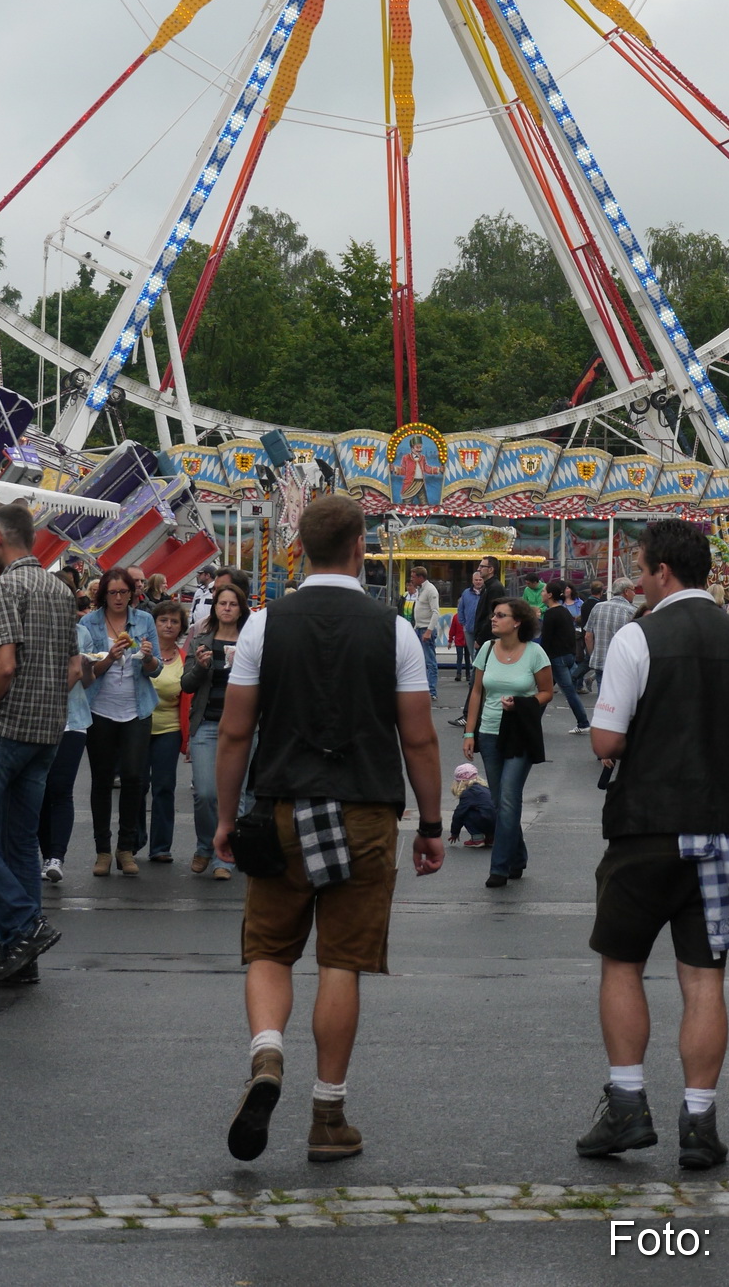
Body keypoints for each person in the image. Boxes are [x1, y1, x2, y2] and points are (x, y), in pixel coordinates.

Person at [213, 494, 442, 1164]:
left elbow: (234, 732)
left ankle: (267, 1055)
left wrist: (224, 819)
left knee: (268, 950)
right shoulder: (393, 630)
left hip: (281, 807)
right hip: (364, 809)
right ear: (359, 545)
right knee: (341, 963)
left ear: (302, 549)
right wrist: (431, 823)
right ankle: (328, 1117)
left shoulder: (262, 626)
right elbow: (419, 739)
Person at [578, 518, 729, 1169]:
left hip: (645, 827)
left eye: (641, 569)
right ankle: (699, 1121)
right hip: (723, 832)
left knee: (622, 964)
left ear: (663, 571)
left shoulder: (637, 638)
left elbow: (606, 740)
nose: (638, 581)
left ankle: (626, 1106)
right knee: (703, 980)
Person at [0, 505, 80, 983]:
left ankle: (22, 926)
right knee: (18, 841)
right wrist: (47, 703)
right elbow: (75, 667)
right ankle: (21, 958)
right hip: (47, 732)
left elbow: (5, 664)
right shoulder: (59, 589)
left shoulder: (8, 586)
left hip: (6, 728)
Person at [462, 599, 553, 888]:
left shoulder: (535, 653)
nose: (494, 618)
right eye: (494, 614)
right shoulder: (487, 650)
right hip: (489, 733)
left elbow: (547, 692)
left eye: (501, 615)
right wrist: (469, 732)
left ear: (517, 622)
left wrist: (521, 704)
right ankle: (518, 857)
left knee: (509, 798)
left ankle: (499, 868)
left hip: (519, 733)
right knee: (501, 803)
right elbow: (476, 692)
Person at [81, 567, 163, 876]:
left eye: (124, 592)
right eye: (112, 592)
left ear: (132, 594)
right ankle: (102, 850)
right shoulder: (89, 623)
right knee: (102, 780)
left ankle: (125, 849)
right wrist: (109, 658)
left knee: (134, 778)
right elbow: (86, 675)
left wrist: (149, 656)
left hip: (136, 710)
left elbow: (156, 669)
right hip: (100, 710)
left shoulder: (144, 621)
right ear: (103, 594)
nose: (118, 598)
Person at [182, 583, 250, 880]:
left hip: (242, 725)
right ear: (215, 608)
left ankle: (225, 859)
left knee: (236, 795)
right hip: (207, 723)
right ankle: (204, 846)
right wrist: (200, 666)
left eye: (232, 604)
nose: (227, 608)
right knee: (205, 793)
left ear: (241, 609)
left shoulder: (251, 642)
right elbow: (186, 684)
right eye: (222, 603)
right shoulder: (201, 640)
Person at [38, 613, 95, 885]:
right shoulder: (33, 629)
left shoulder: (81, 633)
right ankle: (46, 855)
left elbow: (88, 681)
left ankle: (56, 857)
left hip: (73, 720)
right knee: (40, 790)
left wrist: (88, 668)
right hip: (37, 720)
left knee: (61, 789)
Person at [138, 598, 188, 863]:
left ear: (181, 627)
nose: (169, 625)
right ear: (154, 623)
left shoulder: (185, 659)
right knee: (137, 785)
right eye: (163, 620)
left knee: (164, 787)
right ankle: (133, 840)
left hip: (169, 729)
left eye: (174, 621)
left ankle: (160, 847)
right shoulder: (141, 652)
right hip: (138, 725)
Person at [539, 579, 590, 732]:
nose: (542, 593)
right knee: (545, 690)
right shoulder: (564, 611)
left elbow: (546, 639)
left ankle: (583, 723)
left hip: (556, 657)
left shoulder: (550, 614)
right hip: (567, 655)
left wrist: (541, 658)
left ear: (550, 595)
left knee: (569, 692)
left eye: (544, 591)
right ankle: (533, 721)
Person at [449, 569, 484, 726]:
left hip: (481, 631)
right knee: (473, 658)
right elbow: (461, 609)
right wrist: (463, 623)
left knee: (478, 661)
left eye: (480, 580)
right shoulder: (466, 593)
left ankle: (475, 680)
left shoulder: (487, 592)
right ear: (472, 580)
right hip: (469, 630)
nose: (478, 582)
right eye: (476, 580)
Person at [584, 579, 636, 683]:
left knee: (602, 691)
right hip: (622, 665)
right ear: (626, 591)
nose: (634, 594)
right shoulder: (632, 611)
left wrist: (593, 654)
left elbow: (588, 637)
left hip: (600, 662)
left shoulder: (597, 607)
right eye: (633, 590)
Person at [409, 567, 440, 702]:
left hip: (426, 630)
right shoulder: (421, 590)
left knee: (430, 661)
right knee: (419, 661)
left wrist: (429, 631)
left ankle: (431, 691)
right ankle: (422, 689)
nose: (411, 580)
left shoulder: (430, 590)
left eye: (413, 577)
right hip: (419, 628)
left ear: (420, 577)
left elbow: (436, 612)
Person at [448, 762, 495, 848]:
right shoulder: (485, 789)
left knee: (465, 813)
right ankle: (491, 838)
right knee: (485, 811)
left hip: (486, 821)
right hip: (497, 823)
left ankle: (477, 839)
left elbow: (459, 814)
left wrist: (454, 832)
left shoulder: (468, 793)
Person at [471, 556, 505, 653]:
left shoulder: (495, 588)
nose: (478, 569)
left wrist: (480, 639)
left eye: (482, 566)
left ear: (490, 569)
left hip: (489, 639)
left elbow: (492, 615)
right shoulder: (487, 587)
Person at [448, 609, 471, 683]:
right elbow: (452, 629)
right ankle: (467, 675)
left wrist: (450, 640)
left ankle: (460, 674)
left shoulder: (456, 617)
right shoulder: (467, 617)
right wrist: (450, 640)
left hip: (462, 640)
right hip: (465, 640)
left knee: (461, 658)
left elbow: (452, 630)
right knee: (465, 658)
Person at [190, 566, 216, 630]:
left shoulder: (216, 590)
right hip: (197, 629)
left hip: (211, 629)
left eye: (200, 574)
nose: (198, 576)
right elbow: (192, 610)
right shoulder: (198, 592)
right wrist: (191, 625)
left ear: (207, 576)